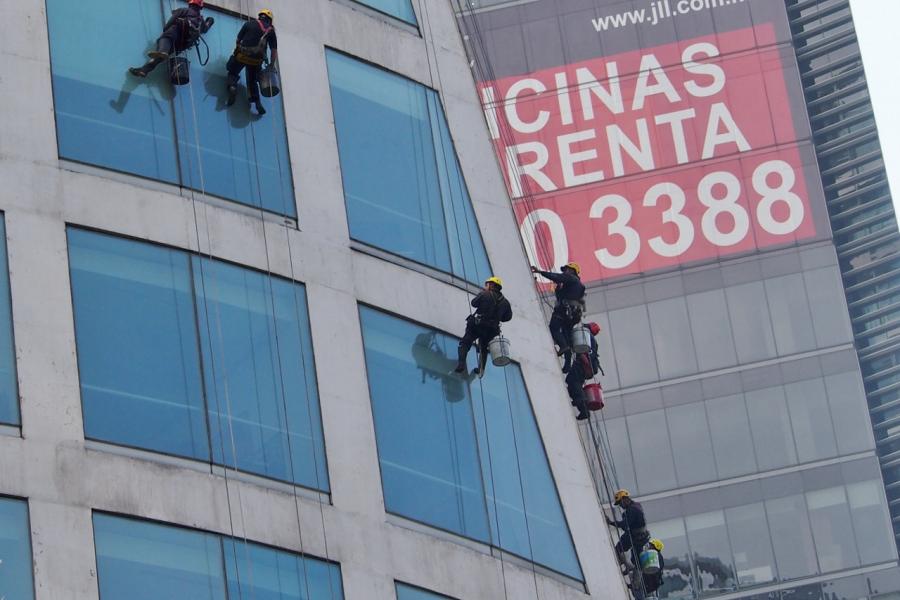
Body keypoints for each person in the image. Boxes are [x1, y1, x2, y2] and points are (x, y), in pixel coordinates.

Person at [129, 0, 214, 78]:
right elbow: (205, 29)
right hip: (182, 44)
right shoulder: (200, 20)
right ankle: (144, 70)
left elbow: (169, 23)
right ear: (200, 7)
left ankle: (162, 51)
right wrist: (210, 20)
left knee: (165, 40)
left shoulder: (183, 10)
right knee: (160, 57)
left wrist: (165, 30)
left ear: (190, 4)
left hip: (173, 34)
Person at [454, 276, 512, 374]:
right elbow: (507, 317)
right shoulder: (505, 302)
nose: (485, 286)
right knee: (483, 348)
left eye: (487, 284)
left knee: (465, 342)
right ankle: (481, 369)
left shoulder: (485, 294)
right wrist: (498, 316)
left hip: (478, 325)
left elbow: (474, 303)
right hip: (492, 330)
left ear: (492, 285)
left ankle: (461, 364)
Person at [226, 9, 278, 115]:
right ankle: (257, 103)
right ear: (269, 20)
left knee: (232, 70)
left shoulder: (248, 24)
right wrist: (272, 65)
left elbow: (238, 40)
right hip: (256, 60)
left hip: (242, 56)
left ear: (260, 17)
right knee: (252, 80)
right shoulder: (271, 31)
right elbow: (273, 51)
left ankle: (232, 86)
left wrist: (238, 51)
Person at [530, 263, 585, 358]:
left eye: (566, 270)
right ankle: (566, 351)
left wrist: (540, 272)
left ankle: (563, 346)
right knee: (565, 334)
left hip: (563, 311)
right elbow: (564, 295)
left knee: (553, 328)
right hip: (573, 314)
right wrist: (558, 289)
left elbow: (556, 277)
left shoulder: (571, 278)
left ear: (572, 271)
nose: (564, 272)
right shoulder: (578, 285)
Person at [606, 489, 650, 574]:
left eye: (620, 503)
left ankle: (632, 572)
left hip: (636, 536)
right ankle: (628, 567)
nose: (621, 506)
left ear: (624, 499)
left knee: (621, 550)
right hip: (638, 536)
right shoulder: (635, 506)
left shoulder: (632, 510)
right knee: (628, 554)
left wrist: (611, 522)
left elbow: (624, 524)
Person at [566, 322, 601, 420]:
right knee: (573, 382)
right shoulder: (593, 340)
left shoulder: (586, 336)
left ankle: (583, 406)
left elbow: (584, 353)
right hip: (587, 366)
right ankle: (578, 400)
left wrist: (586, 365)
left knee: (573, 382)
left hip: (584, 365)